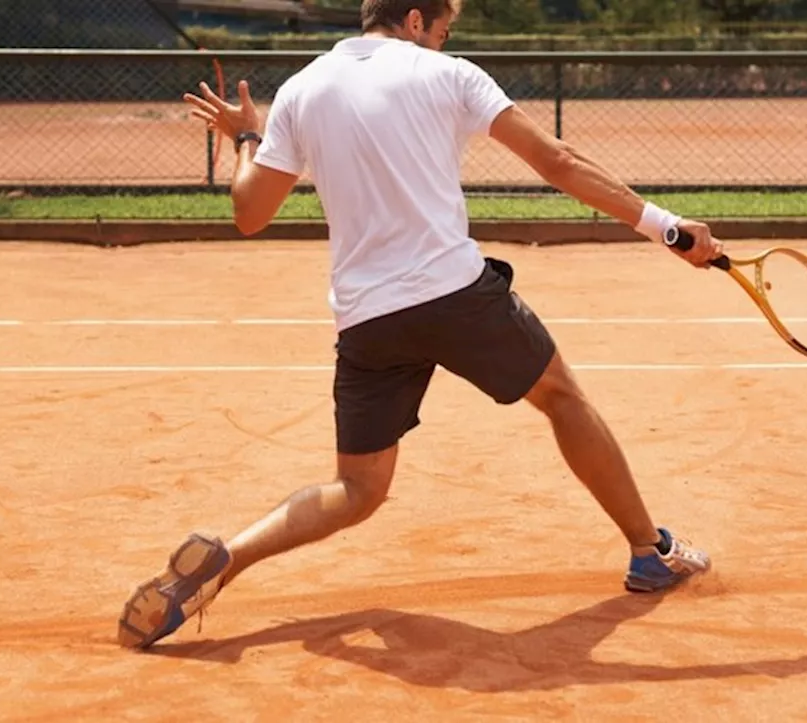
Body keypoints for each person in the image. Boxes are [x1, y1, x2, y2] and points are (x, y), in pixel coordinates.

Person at [117, 0, 723, 651]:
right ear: (413, 20)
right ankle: (649, 550)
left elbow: (249, 213)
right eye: (442, 30)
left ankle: (225, 558)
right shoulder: (451, 75)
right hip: (453, 293)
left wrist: (246, 138)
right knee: (561, 395)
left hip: (367, 322)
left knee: (358, 487)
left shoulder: (303, 89)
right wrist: (665, 226)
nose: (441, 42)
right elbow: (557, 161)